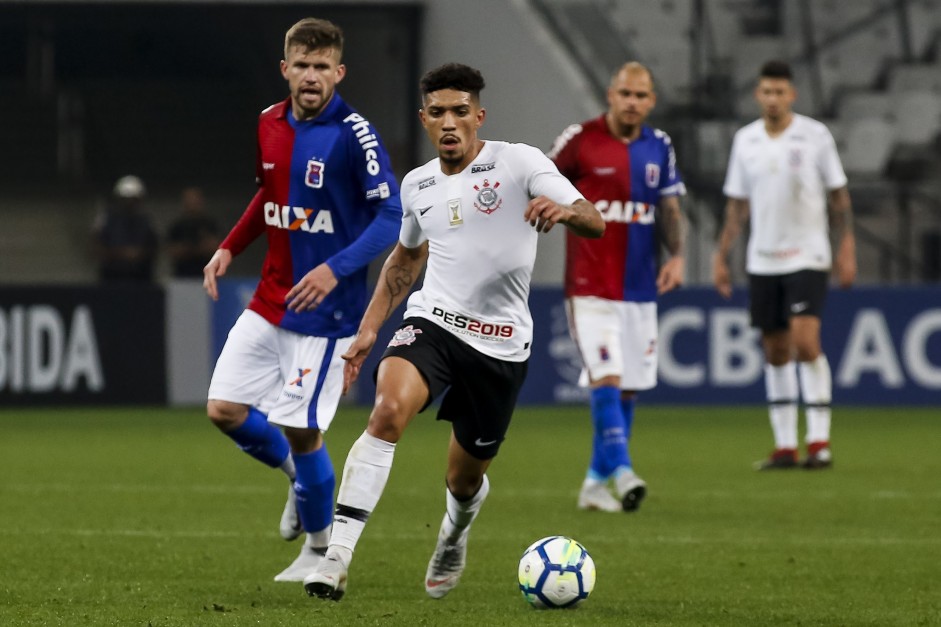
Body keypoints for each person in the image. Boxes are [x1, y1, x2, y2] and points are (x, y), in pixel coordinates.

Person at [303, 63, 605, 601]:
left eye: (460, 112)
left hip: (501, 345)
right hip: (434, 323)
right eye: (438, 112)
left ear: (478, 116)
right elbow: (406, 258)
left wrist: (563, 210)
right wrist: (371, 329)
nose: (449, 122)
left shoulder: (519, 162)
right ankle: (337, 557)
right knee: (387, 411)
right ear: (424, 119)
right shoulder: (417, 185)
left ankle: (453, 533)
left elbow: (594, 218)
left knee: (464, 482)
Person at [201, 17, 402, 583]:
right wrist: (228, 246)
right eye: (302, 65)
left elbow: (390, 215)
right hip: (270, 299)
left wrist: (335, 270)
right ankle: (300, 479)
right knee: (224, 410)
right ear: (285, 68)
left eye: (322, 67)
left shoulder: (354, 134)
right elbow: (270, 193)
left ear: (338, 72)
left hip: (327, 315)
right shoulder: (269, 122)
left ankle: (319, 552)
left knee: (301, 428)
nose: (311, 77)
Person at [548, 62, 687, 513]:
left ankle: (593, 483)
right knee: (605, 378)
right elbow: (542, 179)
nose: (632, 102)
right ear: (611, 94)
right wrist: (557, 210)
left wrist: (679, 256)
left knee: (627, 389)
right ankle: (623, 471)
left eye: (641, 96)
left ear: (651, 101)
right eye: (625, 93)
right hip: (589, 289)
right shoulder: (580, 139)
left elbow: (667, 208)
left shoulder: (659, 146)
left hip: (640, 288)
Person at [713, 59, 856, 470]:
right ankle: (784, 446)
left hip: (808, 254)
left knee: (806, 342)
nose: (773, 99)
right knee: (775, 350)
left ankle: (819, 441)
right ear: (758, 95)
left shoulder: (815, 136)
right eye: (766, 92)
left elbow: (839, 197)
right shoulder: (746, 140)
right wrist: (721, 255)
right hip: (763, 258)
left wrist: (846, 247)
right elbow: (737, 205)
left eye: (780, 92)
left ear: (791, 95)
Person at [92, 175, 158, 282]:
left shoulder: (147, 221)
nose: (129, 203)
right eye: (126, 199)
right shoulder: (106, 219)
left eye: (133, 199)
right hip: (111, 277)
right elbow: (97, 247)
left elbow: (154, 248)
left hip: (141, 277)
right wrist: (120, 253)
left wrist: (139, 254)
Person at [166, 186, 221, 278]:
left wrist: (195, 248)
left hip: (207, 276)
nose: (192, 204)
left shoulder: (210, 225)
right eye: (189, 201)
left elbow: (215, 248)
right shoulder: (177, 226)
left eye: (195, 200)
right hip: (182, 276)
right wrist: (190, 249)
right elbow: (172, 251)